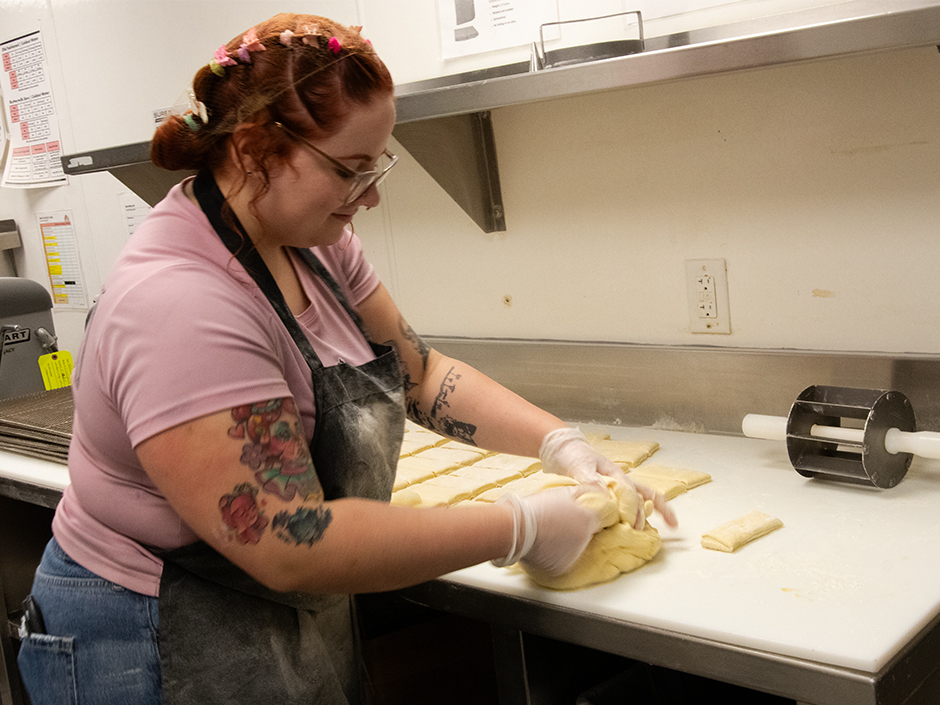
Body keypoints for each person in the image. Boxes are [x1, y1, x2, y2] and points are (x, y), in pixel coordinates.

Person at [16, 13, 676, 705]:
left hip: (275, 607)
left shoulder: (315, 239)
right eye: (351, 169)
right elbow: (286, 537)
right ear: (251, 150)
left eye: (377, 163)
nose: (373, 194)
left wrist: (558, 442)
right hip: (143, 639)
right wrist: (519, 527)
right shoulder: (181, 303)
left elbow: (418, 374)